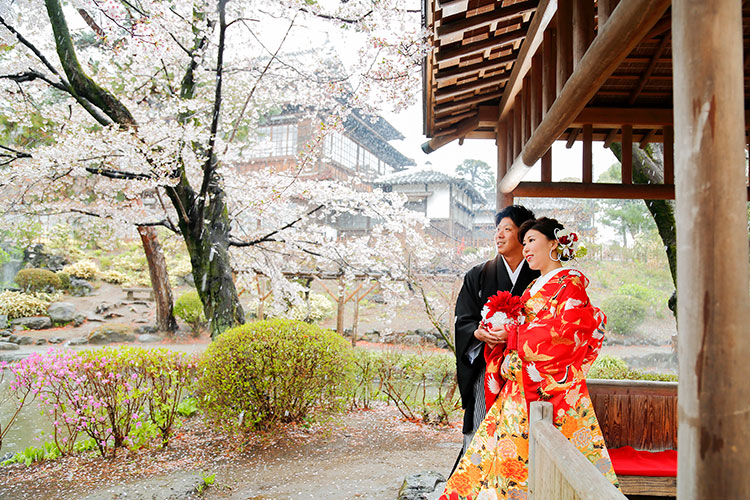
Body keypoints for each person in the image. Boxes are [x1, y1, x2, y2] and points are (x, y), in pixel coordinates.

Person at [441, 217, 618, 500]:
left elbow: (563, 334)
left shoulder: (570, 284)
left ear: (554, 243)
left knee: (552, 463)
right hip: (518, 388)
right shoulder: (532, 288)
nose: (525, 249)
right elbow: (525, 330)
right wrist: (499, 333)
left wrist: (512, 336)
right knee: (498, 458)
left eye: (532, 241)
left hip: (552, 389)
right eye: (524, 243)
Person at [453, 205, 539, 462]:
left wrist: (516, 335)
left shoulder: (540, 276)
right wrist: (478, 334)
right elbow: (463, 320)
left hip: (526, 371)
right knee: (481, 427)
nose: (499, 235)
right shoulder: (478, 275)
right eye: (497, 229)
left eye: (507, 229)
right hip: (486, 366)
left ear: (523, 236)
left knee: (522, 432)